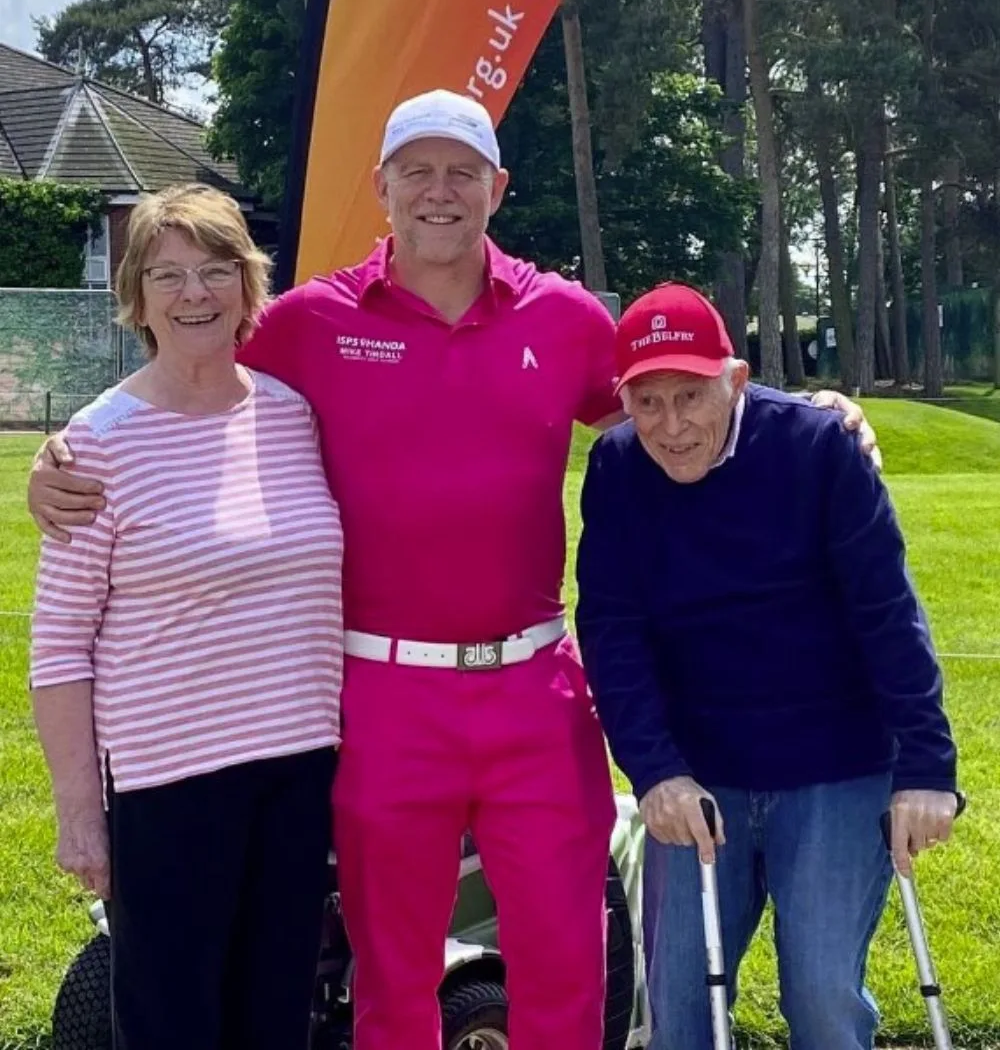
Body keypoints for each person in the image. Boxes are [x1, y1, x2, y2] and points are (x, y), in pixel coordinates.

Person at [28, 91, 877, 1050]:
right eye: (418, 171)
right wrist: (61, 454)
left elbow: (670, 398)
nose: (440, 192)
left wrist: (800, 410)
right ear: (381, 186)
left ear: (497, 188)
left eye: (462, 171)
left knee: (566, 968)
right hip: (383, 699)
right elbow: (187, 365)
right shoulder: (311, 322)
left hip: (535, 691)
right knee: (391, 983)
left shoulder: (559, 316)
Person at [575, 281, 959, 1050]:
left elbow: (888, 613)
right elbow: (612, 629)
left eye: (690, 395)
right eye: (647, 403)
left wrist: (927, 766)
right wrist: (653, 770)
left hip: (835, 763)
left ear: (737, 379)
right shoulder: (619, 469)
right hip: (699, 773)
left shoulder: (818, 449)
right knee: (679, 1010)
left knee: (819, 998)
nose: (672, 426)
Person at [30, 185, 344, 1050]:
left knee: (277, 1012)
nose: (194, 294)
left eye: (215, 271)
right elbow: (59, 647)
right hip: (170, 783)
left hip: (297, 771)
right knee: (173, 1023)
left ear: (249, 288)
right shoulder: (96, 445)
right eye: (167, 276)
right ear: (136, 297)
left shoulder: (293, 417)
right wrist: (79, 812)